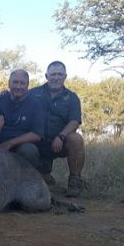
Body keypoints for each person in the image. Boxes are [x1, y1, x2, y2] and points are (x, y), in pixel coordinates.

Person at [30, 61, 85, 198]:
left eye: (60, 74)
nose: (56, 77)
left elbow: (74, 121)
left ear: (65, 76)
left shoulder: (72, 98)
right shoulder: (32, 93)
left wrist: (61, 136)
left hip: (60, 142)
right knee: (42, 184)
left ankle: (75, 182)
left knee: (76, 139)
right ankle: (46, 177)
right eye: (53, 74)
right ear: (46, 76)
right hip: (36, 143)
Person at [0, 69, 44, 169]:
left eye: (22, 83)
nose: (18, 86)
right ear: (9, 83)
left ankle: (27, 180)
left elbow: (37, 134)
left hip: (20, 145)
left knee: (29, 150)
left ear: (27, 85)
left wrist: (10, 143)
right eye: (15, 82)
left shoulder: (35, 104)